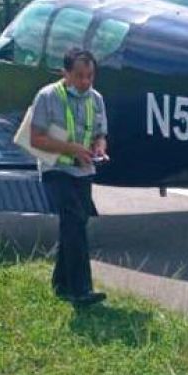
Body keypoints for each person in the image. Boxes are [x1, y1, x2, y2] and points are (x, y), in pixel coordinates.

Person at [29, 48, 109, 306]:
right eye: (79, 76)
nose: (85, 82)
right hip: (56, 169)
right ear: (66, 73)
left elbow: (100, 134)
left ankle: (61, 284)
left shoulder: (96, 99)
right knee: (74, 218)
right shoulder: (47, 96)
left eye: (90, 76)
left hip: (83, 170)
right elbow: (36, 138)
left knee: (75, 223)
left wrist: (99, 147)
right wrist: (71, 149)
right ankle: (81, 289)